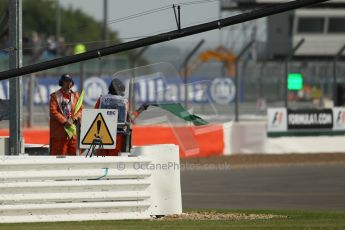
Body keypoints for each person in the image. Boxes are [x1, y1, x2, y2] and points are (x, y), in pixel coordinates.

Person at [94, 78, 148, 156]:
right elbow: (130, 119)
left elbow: (94, 114)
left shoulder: (102, 99)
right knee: (113, 160)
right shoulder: (124, 101)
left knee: (100, 159)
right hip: (117, 135)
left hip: (101, 134)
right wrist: (141, 109)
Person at [50, 74, 83, 155]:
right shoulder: (55, 96)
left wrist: (73, 118)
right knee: (59, 156)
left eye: (70, 81)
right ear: (61, 82)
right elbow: (52, 111)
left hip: (73, 132)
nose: (68, 83)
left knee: (75, 156)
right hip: (59, 133)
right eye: (66, 81)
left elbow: (81, 110)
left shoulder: (76, 95)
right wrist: (65, 121)